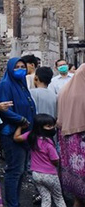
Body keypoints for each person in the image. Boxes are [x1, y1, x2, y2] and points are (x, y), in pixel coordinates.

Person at [0, 57, 36, 207]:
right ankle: (12, 203)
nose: (20, 69)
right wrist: (21, 119)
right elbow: (5, 110)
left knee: (22, 171)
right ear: (10, 69)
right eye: (17, 67)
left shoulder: (22, 84)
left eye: (23, 67)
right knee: (14, 170)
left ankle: (15, 202)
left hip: (24, 133)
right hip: (11, 134)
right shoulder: (5, 85)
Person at [14, 114, 66, 207]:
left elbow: (16, 138)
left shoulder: (31, 135)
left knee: (45, 198)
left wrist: (20, 127)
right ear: (41, 127)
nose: (52, 128)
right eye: (49, 126)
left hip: (36, 174)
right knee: (58, 198)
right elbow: (55, 160)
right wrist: (56, 165)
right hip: (50, 175)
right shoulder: (48, 144)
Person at [57, 64, 85, 207]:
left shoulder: (65, 89)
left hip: (67, 143)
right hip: (81, 142)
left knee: (78, 197)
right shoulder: (81, 92)